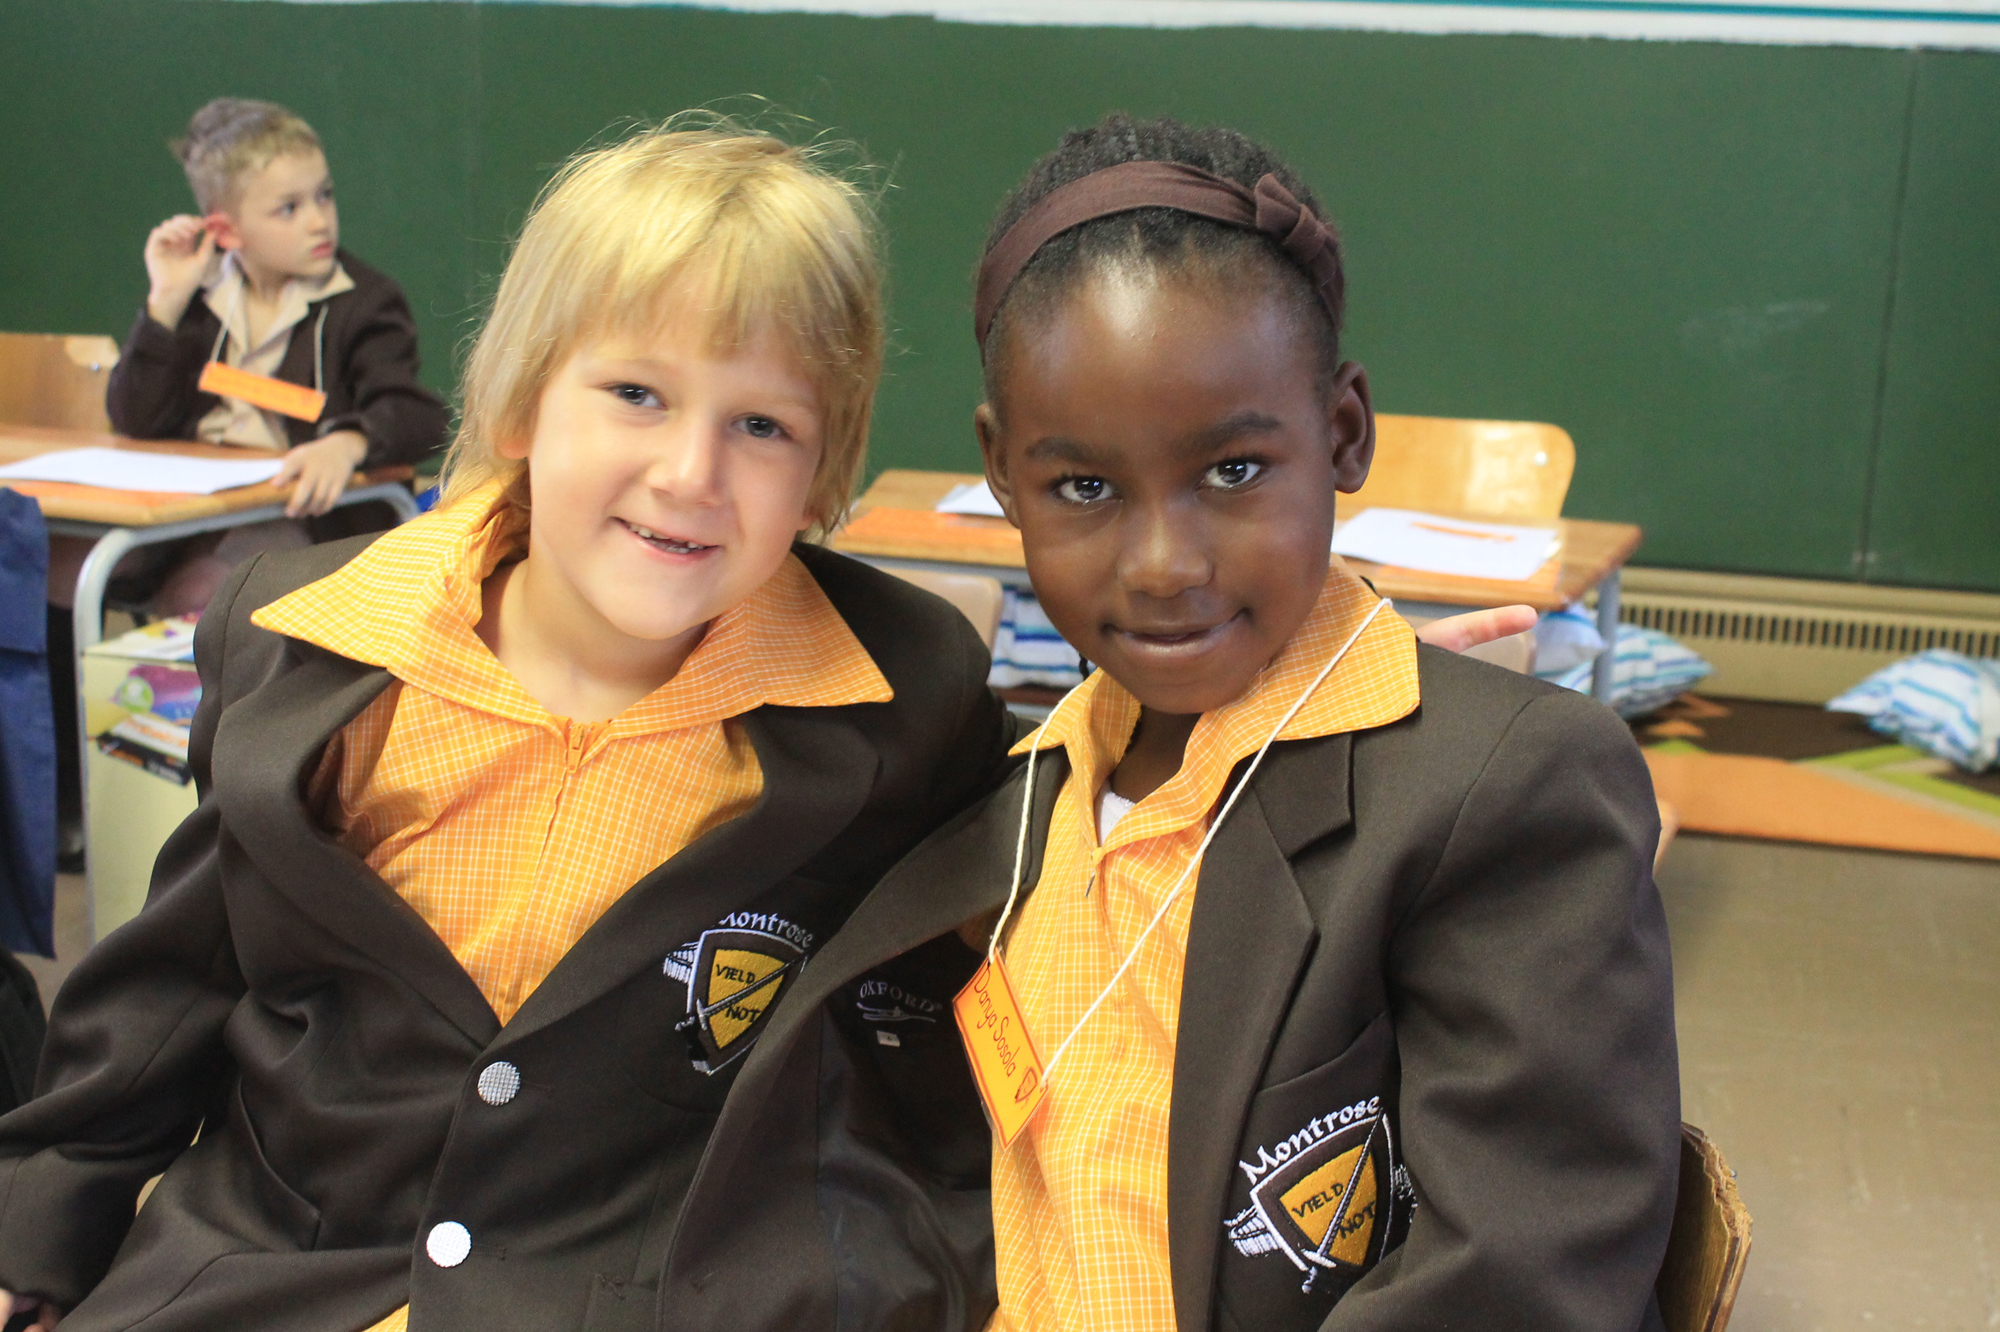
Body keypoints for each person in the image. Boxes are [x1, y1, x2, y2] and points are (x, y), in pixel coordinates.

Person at [0, 121, 1014, 1332]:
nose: (690, 473)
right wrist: (37, 1232)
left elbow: (940, 1037)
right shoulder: (303, 643)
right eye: (636, 394)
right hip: (289, 1266)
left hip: (638, 1289)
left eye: (762, 426)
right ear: (524, 399)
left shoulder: (900, 694)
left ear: (821, 472)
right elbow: (177, 979)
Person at [752, 114, 1681, 1332]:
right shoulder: (1025, 790)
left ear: (1341, 434)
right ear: (1001, 476)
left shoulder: (1508, 790)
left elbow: (1521, 1279)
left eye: (1232, 472)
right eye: (1084, 487)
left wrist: (1446, 746)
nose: (1163, 565)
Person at [93, 96, 448, 615]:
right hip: (193, 515)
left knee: (206, 593)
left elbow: (417, 414)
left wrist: (349, 442)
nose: (319, 222)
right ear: (226, 232)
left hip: (302, 519)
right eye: (289, 208)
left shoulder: (365, 301)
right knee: (66, 564)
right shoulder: (198, 297)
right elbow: (135, 419)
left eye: (324, 196)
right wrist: (164, 305)